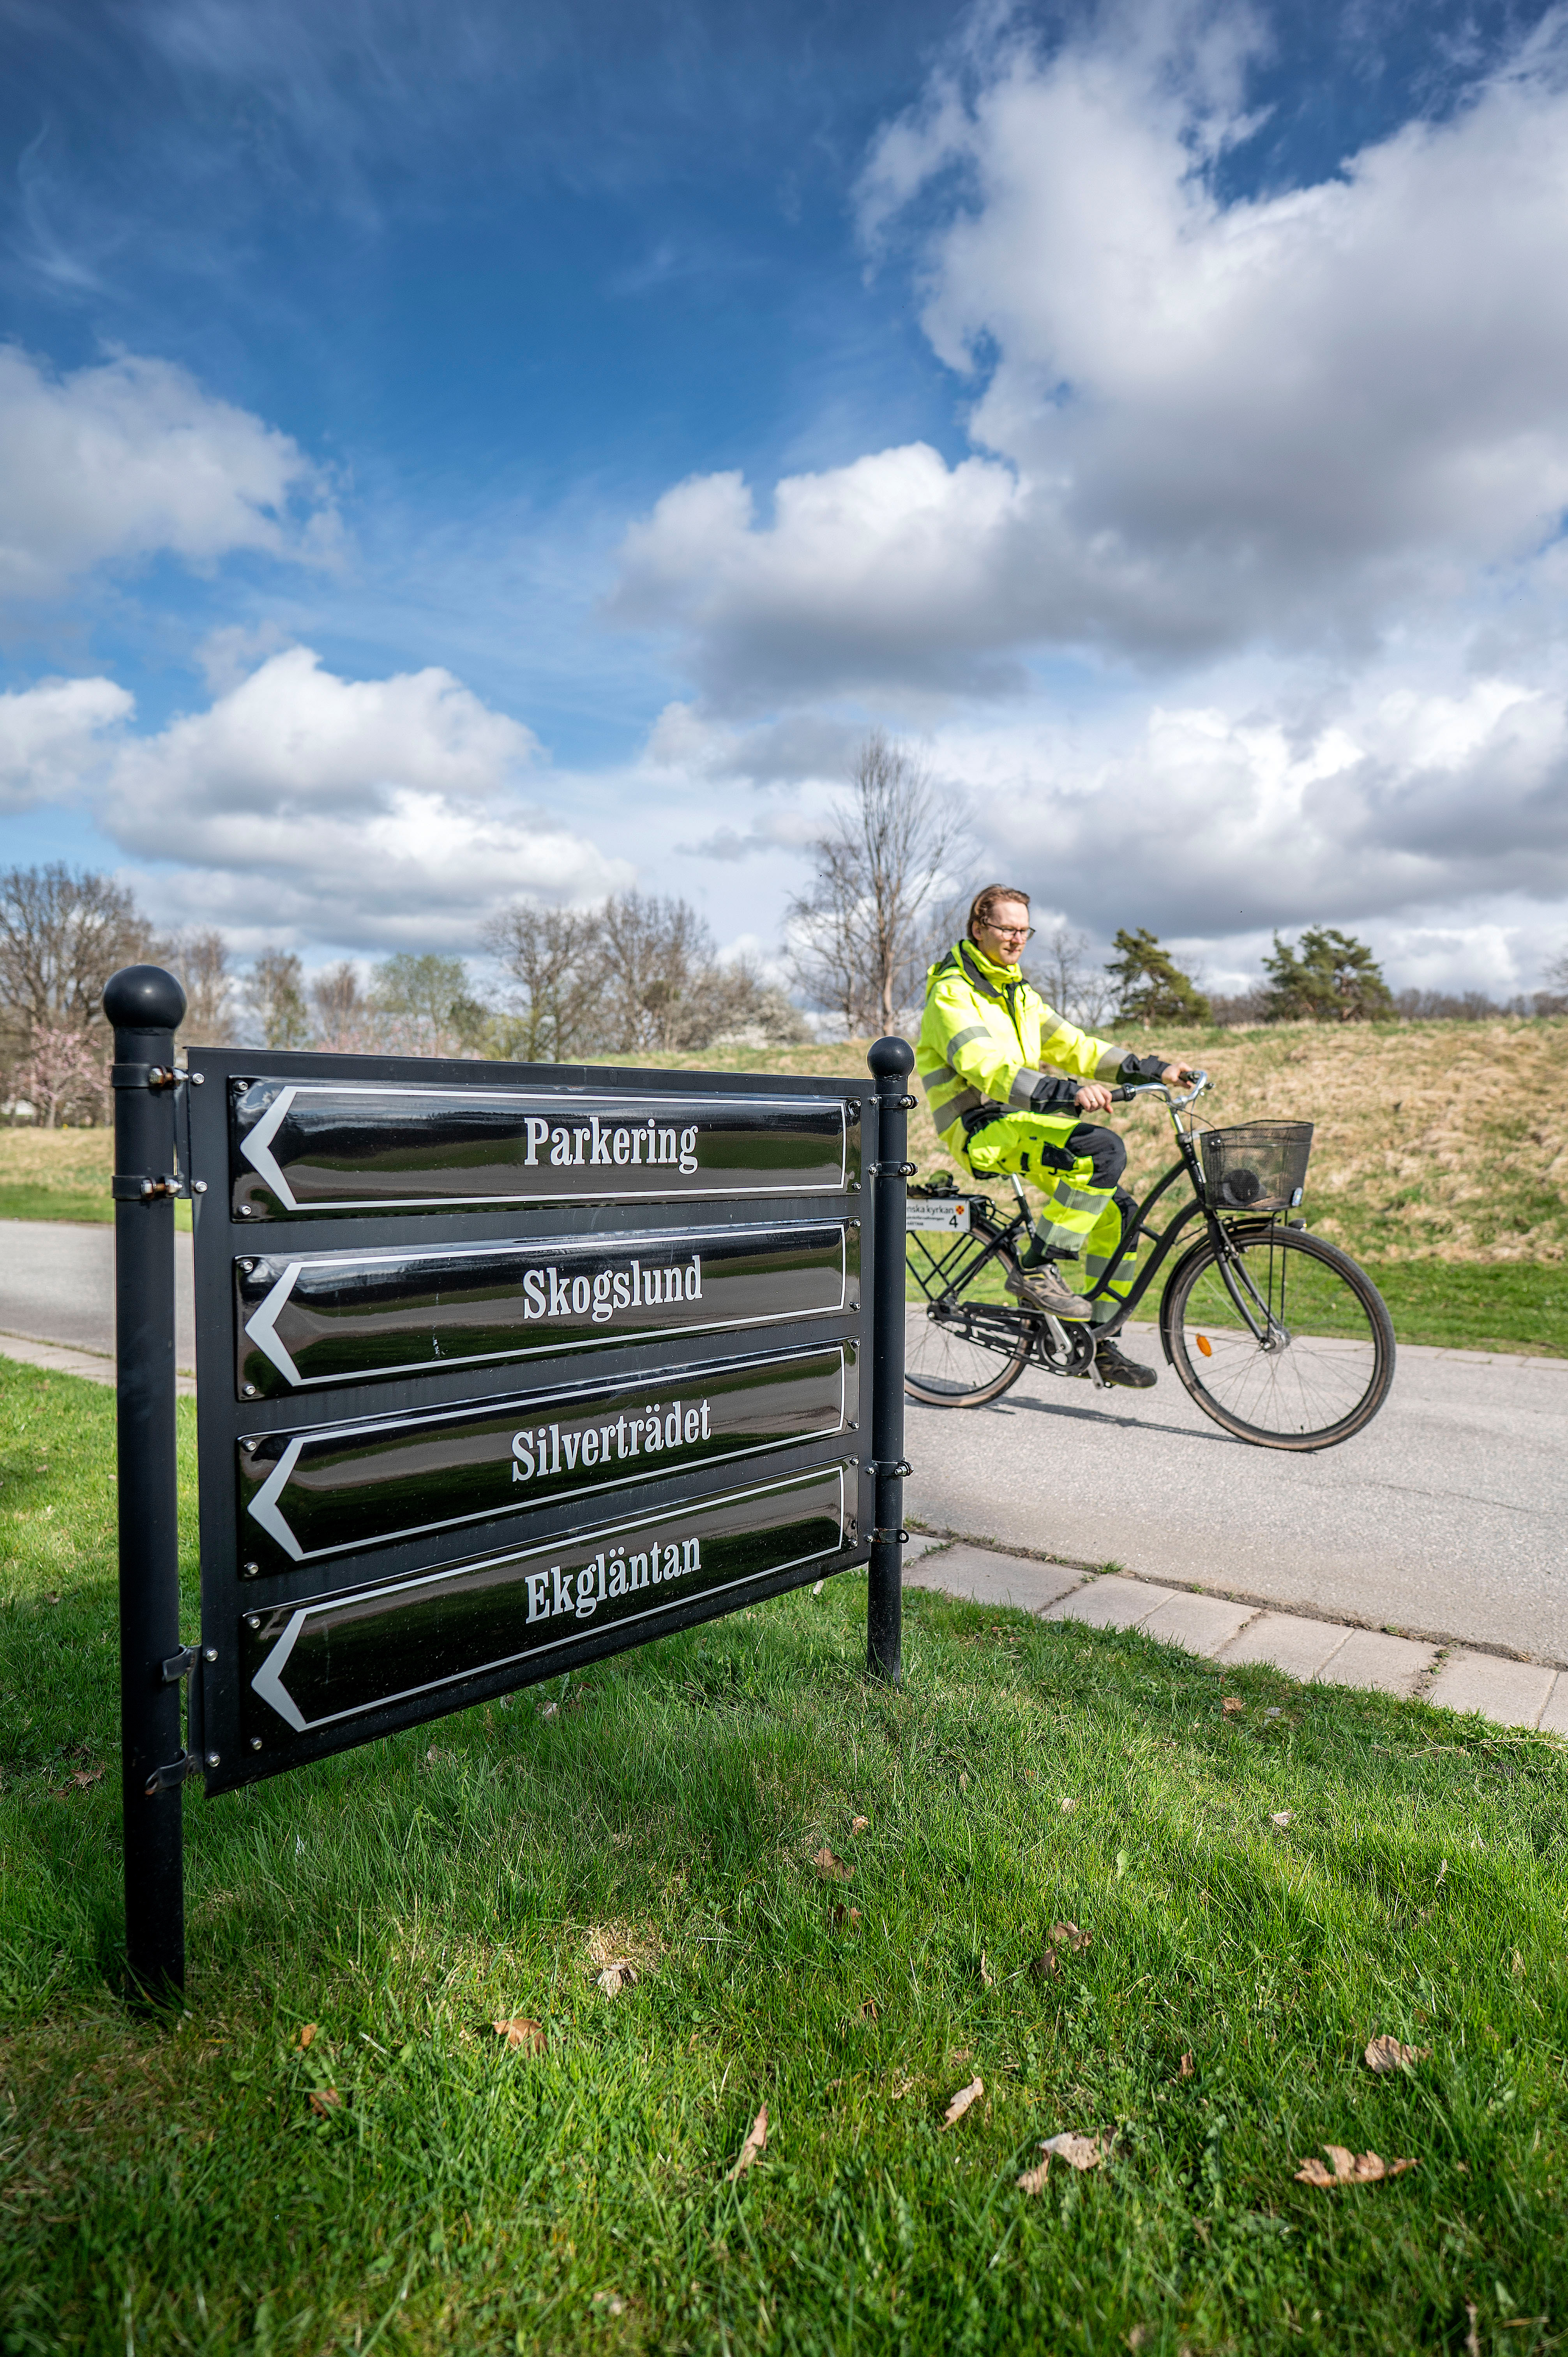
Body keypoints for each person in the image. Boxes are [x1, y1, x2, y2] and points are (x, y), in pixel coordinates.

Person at [916, 883, 1195, 1389]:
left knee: (1119, 1214)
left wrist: (1153, 1069)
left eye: (1025, 929)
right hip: (981, 1126)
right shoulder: (952, 994)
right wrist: (1064, 1093)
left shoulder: (1018, 993)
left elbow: (1079, 1047)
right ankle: (1038, 1267)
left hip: (1022, 1121)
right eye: (1007, 928)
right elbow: (990, 1069)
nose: (1018, 938)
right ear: (979, 930)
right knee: (1102, 1148)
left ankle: (1098, 1341)